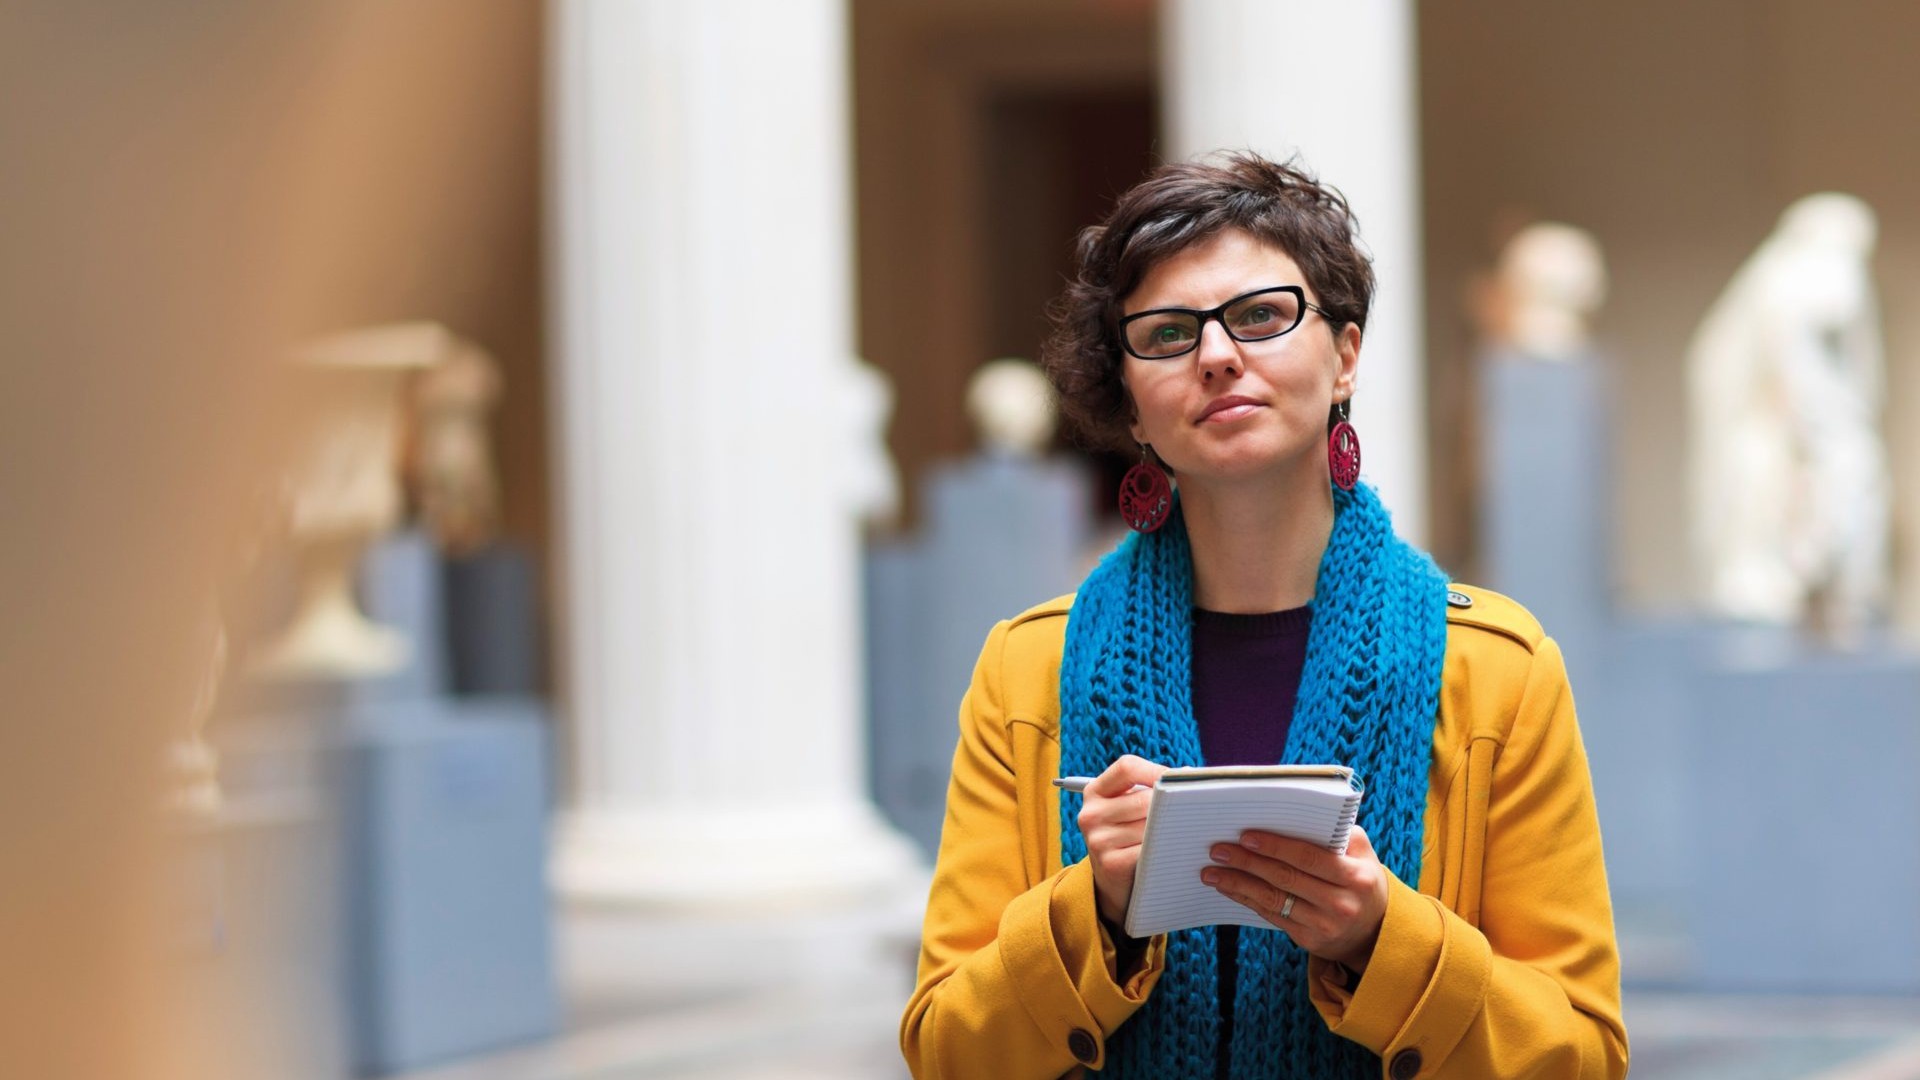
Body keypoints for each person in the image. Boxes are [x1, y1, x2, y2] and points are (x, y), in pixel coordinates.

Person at [898, 153, 1627, 1079]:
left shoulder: (1498, 670)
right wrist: (1101, 913)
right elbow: (947, 1051)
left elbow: (1583, 1057)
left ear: (1345, 357)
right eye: (1166, 332)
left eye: (1260, 316)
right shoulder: (1028, 669)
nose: (1215, 354)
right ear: (1132, 400)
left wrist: (1378, 937)